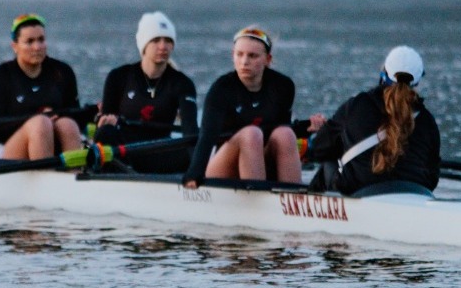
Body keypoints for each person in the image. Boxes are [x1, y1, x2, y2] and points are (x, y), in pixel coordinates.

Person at [305, 46, 441, 197]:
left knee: (328, 163)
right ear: (417, 81)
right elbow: (432, 177)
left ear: (384, 73)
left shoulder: (356, 106)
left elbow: (318, 149)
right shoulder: (428, 122)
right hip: (414, 195)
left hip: (361, 193)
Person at [182, 26, 300, 188]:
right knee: (251, 134)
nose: (244, 62)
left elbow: (281, 129)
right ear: (233, 56)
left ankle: (293, 198)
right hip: (224, 167)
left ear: (268, 59)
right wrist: (193, 173)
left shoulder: (283, 86)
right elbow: (207, 136)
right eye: (240, 54)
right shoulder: (221, 89)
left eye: (253, 56)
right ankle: (257, 200)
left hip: (260, 158)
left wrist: (309, 128)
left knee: (285, 134)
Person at [95, 11, 198, 173]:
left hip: (160, 150)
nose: (163, 46)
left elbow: (190, 132)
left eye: (168, 41)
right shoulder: (119, 77)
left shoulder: (182, 83)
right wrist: (107, 120)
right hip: (126, 150)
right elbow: (105, 120)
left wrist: (197, 169)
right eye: (156, 40)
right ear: (144, 44)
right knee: (105, 132)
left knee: (192, 148)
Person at [0, 14, 83, 160]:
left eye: (41, 40)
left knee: (68, 124)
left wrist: (58, 115)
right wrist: (32, 119)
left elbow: (78, 116)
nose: (37, 47)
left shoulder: (62, 71)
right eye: (29, 41)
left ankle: (75, 175)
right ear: (15, 46)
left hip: (54, 139)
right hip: (9, 149)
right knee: (40, 124)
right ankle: (45, 177)